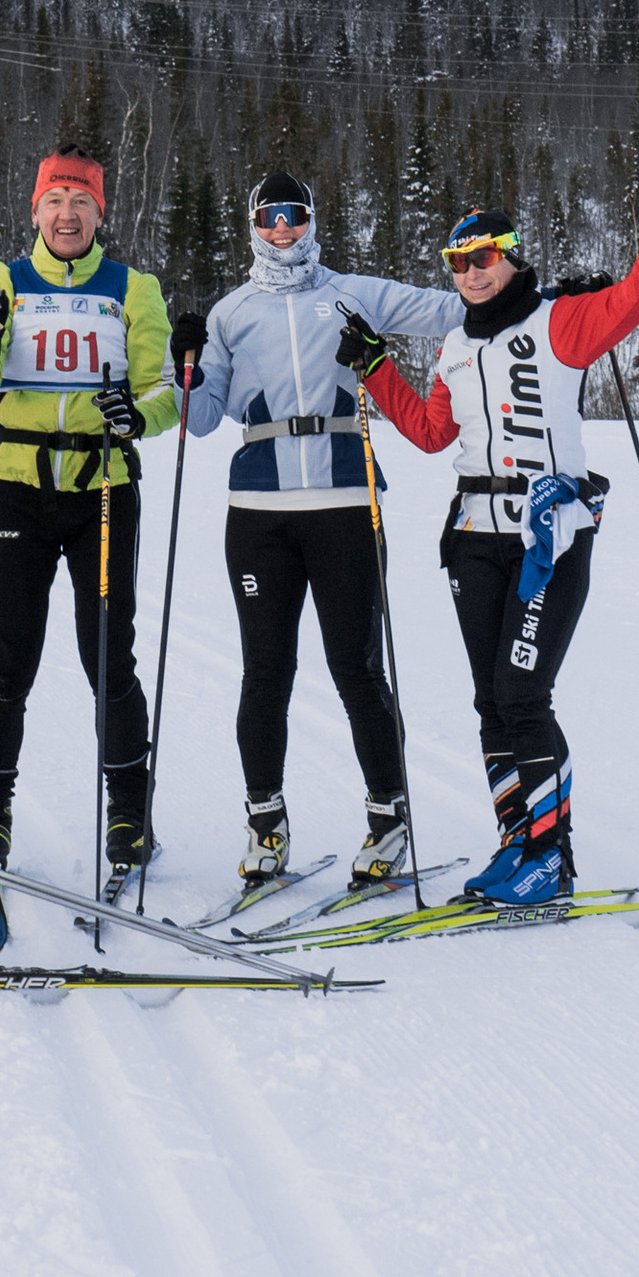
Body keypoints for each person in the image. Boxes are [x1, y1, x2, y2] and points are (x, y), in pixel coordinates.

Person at [339, 144, 639, 906]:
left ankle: (550, 856)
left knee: (524, 696)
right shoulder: (452, 347)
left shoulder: (559, 322)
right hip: (474, 535)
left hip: (548, 535)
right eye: (458, 261)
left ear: (511, 257)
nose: (471, 271)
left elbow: (638, 297)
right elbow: (433, 435)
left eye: (484, 257)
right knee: (490, 703)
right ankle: (520, 842)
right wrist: (376, 366)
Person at [166, 171, 463, 890]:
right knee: (266, 673)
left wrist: (539, 303)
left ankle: (388, 818)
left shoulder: (351, 291)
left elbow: (454, 311)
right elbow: (202, 420)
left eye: (294, 215)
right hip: (260, 512)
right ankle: (266, 825)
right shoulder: (232, 312)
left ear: (312, 219)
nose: (282, 229)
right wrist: (185, 365)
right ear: (252, 224)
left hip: (345, 498)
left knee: (356, 668)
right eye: (268, 216)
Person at [0, 144, 176, 884]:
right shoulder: (5, 280)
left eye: (81, 202)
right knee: (10, 661)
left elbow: (165, 392)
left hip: (102, 486)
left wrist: (135, 418)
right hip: (18, 484)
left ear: (98, 213)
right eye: (55, 201)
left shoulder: (133, 288)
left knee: (109, 657)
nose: (67, 214)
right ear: (35, 210)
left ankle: (129, 812)